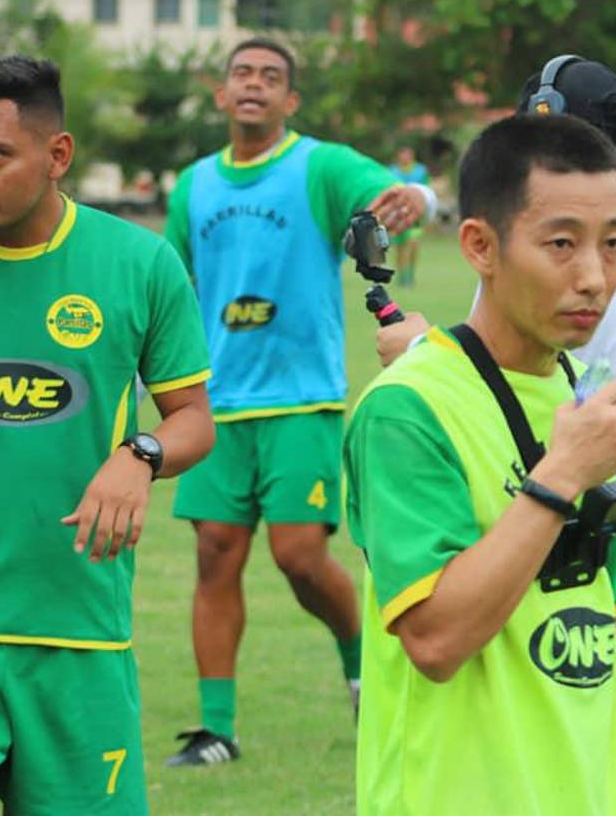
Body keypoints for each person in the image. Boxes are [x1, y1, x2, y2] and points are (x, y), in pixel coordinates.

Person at [344, 114, 616, 815]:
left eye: (613, 244)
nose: (593, 276)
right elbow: (435, 637)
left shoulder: (584, 397)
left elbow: (603, 618)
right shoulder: (407, 409)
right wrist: (558, 478)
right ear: (481, 246)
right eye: (561, 245)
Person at [162, 38, 436, 766]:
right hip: (215, 405)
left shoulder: (318, 164)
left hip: (300, 398)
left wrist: (419, 197)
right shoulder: (192, 187)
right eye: (242, 74)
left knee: (300, 557)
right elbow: (172, 290)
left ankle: (357, 660)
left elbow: (389, 198)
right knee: (215, 557)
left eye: (271, 78)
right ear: (221, 94)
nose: (254, 85)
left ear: (290, 102)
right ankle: (217, 729)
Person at [0, 55, 214, 813]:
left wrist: (141, 454)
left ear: (58, 155)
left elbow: (192, 419)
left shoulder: (139, 263)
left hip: (77, 631)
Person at [386, 145, 431, 287]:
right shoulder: (392, 171)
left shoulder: (420, 171)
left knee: (413, 244)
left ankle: (410, 274)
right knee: (399, 248)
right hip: (398, 214)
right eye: (403, 155)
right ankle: (402, 276)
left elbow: (426, 191)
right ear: (399, 157)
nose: (405, 158)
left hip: (415, 214)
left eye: (408, 155)